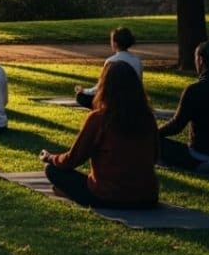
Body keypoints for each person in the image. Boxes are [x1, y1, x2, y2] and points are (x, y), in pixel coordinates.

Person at [40, 61, 159, 209]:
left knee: (52, 170)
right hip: (147, 196)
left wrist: (51, 158)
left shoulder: (99, 118)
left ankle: (68, 193)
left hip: (109, 196)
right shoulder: (147, 117)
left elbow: (73, 159)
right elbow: (154, 157)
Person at [157, 41, 209, 171]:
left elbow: (176, 125)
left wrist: (154, 133)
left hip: (201, 156)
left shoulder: (195, 90)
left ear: (200, 60)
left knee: (156, 143)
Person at [75, 27, 142, 108]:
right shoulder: (137, 60)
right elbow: (139, 84)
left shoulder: (110, 61)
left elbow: (100, 88)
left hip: (113, 102)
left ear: (115, 43)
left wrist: (84, 91)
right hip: (132, 101)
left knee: (80, 96)